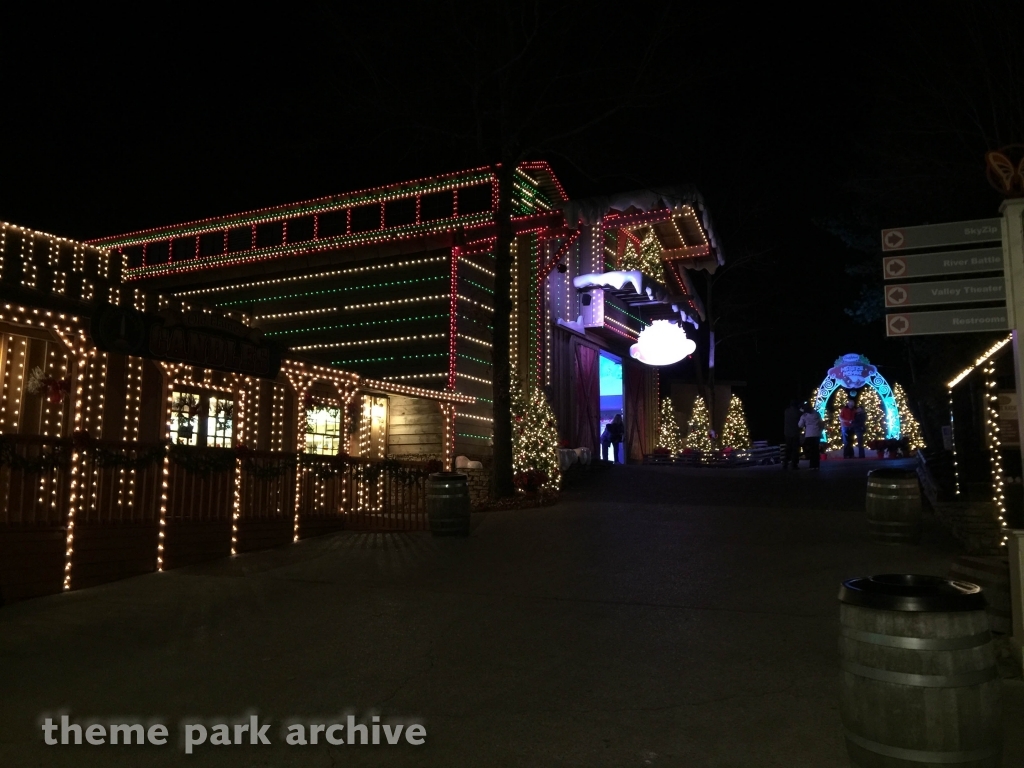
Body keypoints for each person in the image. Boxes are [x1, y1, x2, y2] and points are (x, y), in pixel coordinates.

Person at [798, 404, 824, 470]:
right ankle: (816, 465)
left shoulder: (804, 416)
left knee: (811, 450)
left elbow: (800, 425)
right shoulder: (817, 414)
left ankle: (812, 465)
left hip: (809, 435)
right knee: (816, 450)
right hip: (817, 434)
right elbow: (821, 423)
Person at [783, 400, 802, 470]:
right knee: (795, 449)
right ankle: (794, 464)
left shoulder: (786, 411)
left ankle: (785, 463)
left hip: (787, 433)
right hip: (795, 433)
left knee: (788, 448)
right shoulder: (797, 412)